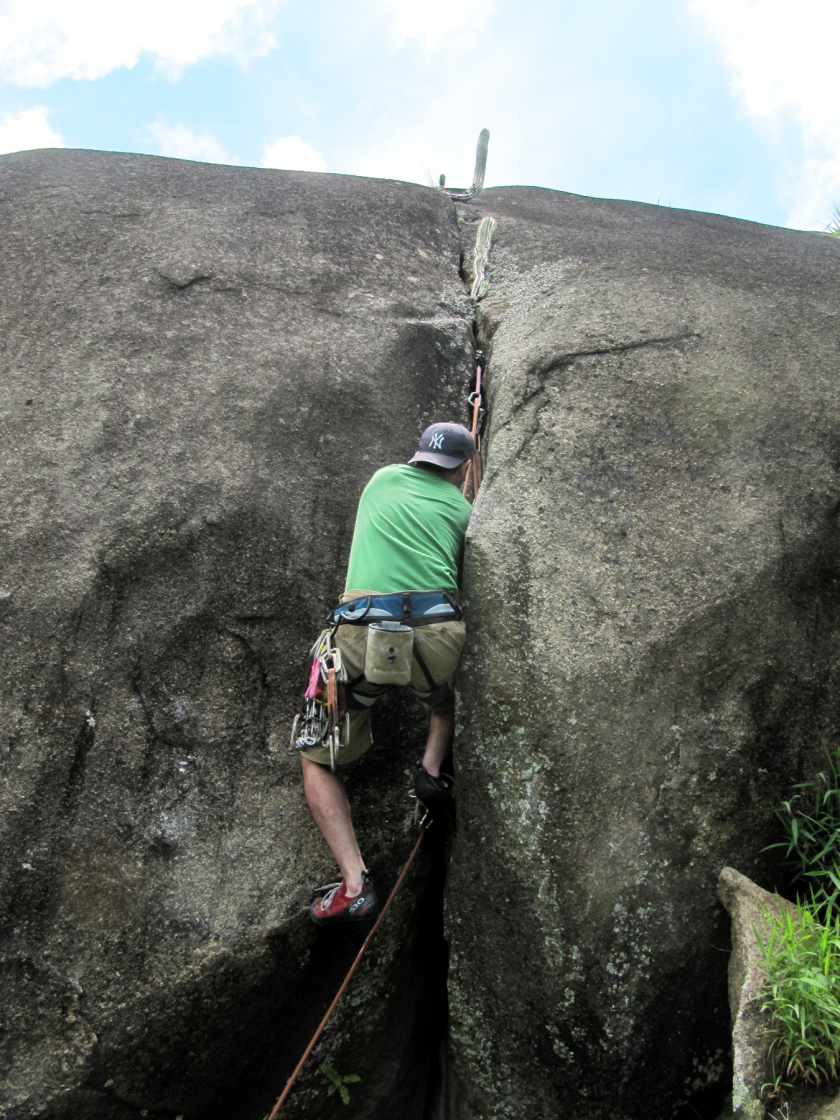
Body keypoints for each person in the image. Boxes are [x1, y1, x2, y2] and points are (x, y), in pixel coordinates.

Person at [296, 422, 475, 925]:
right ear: (463, 471)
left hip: (360, 634)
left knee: (317, 757)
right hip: (435, 637)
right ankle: (431, 768)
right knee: (442, 702)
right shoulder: (465, 512)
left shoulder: (381, 480)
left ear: (418, 457)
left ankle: (355, 884)